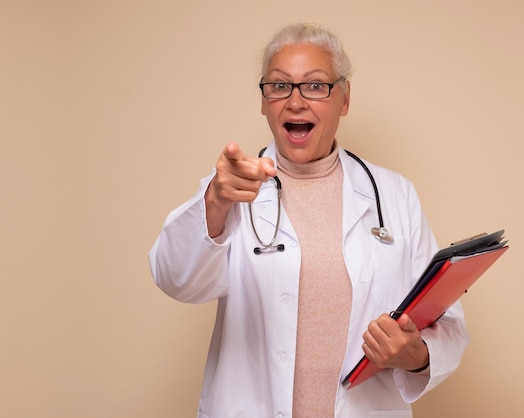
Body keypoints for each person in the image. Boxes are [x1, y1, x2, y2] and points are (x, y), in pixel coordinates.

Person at [149, 23, 470, 418]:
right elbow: (175, 278)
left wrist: (416, 354)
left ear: (344, 98)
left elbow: (447, 321)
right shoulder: (230, 190)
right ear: (264, 101)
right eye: (280, 86)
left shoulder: (395, 195)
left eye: (315, 86)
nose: (296, 101)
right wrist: (214, 201)